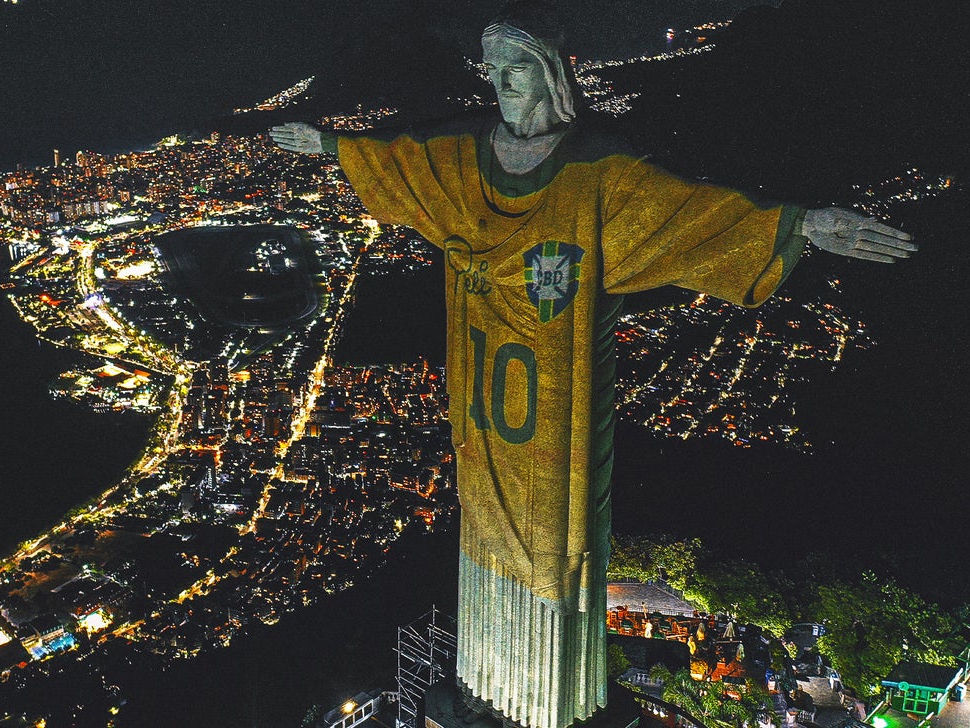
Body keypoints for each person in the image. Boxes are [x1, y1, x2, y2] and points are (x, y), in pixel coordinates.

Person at [270, 2, 914, 727]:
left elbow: (691, 212)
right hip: (484, 401)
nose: (503, 85)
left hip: (555, 398)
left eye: (516, 69)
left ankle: (548, 701)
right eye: (494, 72)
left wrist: (802, 224)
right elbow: (402, 161)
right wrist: (328, 146)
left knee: (560, 530)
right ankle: (490, 689)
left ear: (549, 75)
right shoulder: (463, 157)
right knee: (480, 513)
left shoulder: (597, 172)